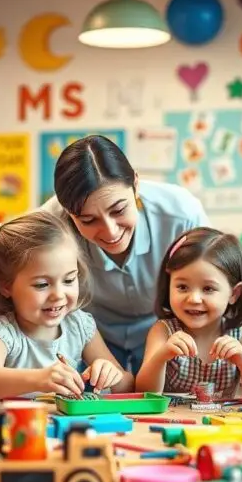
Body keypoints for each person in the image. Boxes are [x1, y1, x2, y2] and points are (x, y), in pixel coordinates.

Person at [43, 135, 209, 375]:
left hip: (167, 331)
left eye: (119, 210)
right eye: (88, 220)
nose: (110, 232)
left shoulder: (182, 213)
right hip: (91, 338)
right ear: (68, 212)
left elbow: (216, 279)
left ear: (136, 185)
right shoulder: (51, 224)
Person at [0, 211, 134, 400]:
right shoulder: (3, 332)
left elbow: (127, 385)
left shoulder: (79, 325)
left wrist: (111, 375)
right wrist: (40, 379)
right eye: (42, 284)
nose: (58, 295)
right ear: (6, 286)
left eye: (68, 280)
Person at [136, 228, 242, 401]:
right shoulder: (163, 331)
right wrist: (162, 356)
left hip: (223, 425)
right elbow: (144, 393)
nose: (193, 298)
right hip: (174, 424)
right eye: (182, 287)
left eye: (208, 289)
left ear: (234, 294)